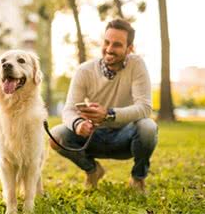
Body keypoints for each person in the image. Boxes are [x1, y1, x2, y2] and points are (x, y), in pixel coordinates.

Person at [50, 19, 158, 193]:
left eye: (116, 45)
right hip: (93, 137)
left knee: (148, 127)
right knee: (56, 135)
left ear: (130, 49)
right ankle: (93, 171)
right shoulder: (84, 71)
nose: (109, 49)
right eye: (106, 42)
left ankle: (138, 178)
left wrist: (109, 114)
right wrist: (78, 124)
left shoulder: (136, 65)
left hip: (125, 137)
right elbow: (69, 109)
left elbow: (145, 107)